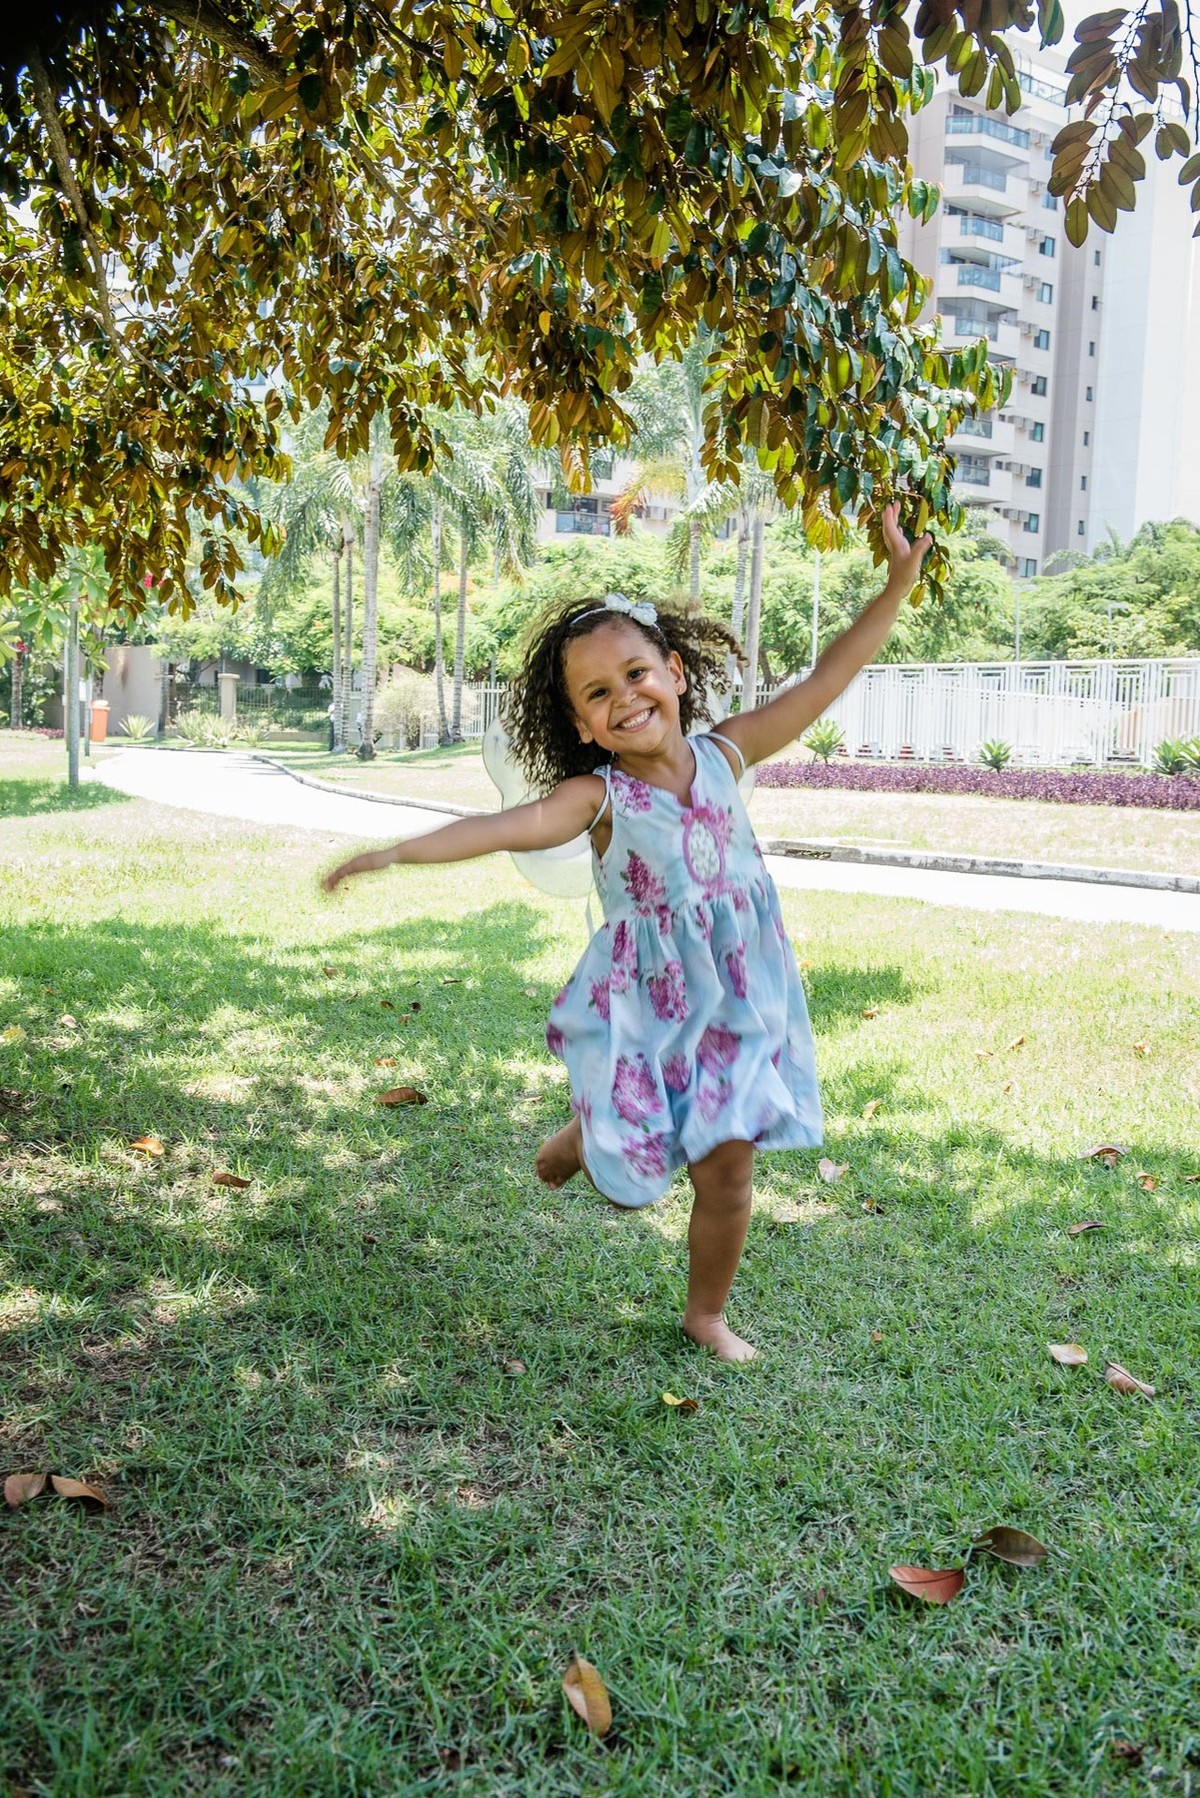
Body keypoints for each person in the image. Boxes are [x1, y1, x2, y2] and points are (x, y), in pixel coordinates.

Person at [322, 502, 929, 1361]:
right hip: (650, 1005)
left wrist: (896, 584)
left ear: (675, 672)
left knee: (728, 1168)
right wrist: (393, 853)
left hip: (736, 1001)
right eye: (598, 694)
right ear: (580, 724)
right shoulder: (597, 797)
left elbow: (826, 679)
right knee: (627, 1187)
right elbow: (497, 829)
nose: (625, 698)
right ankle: (591, 1128)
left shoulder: (727, 754)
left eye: (637, 673)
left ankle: (705, 1315)